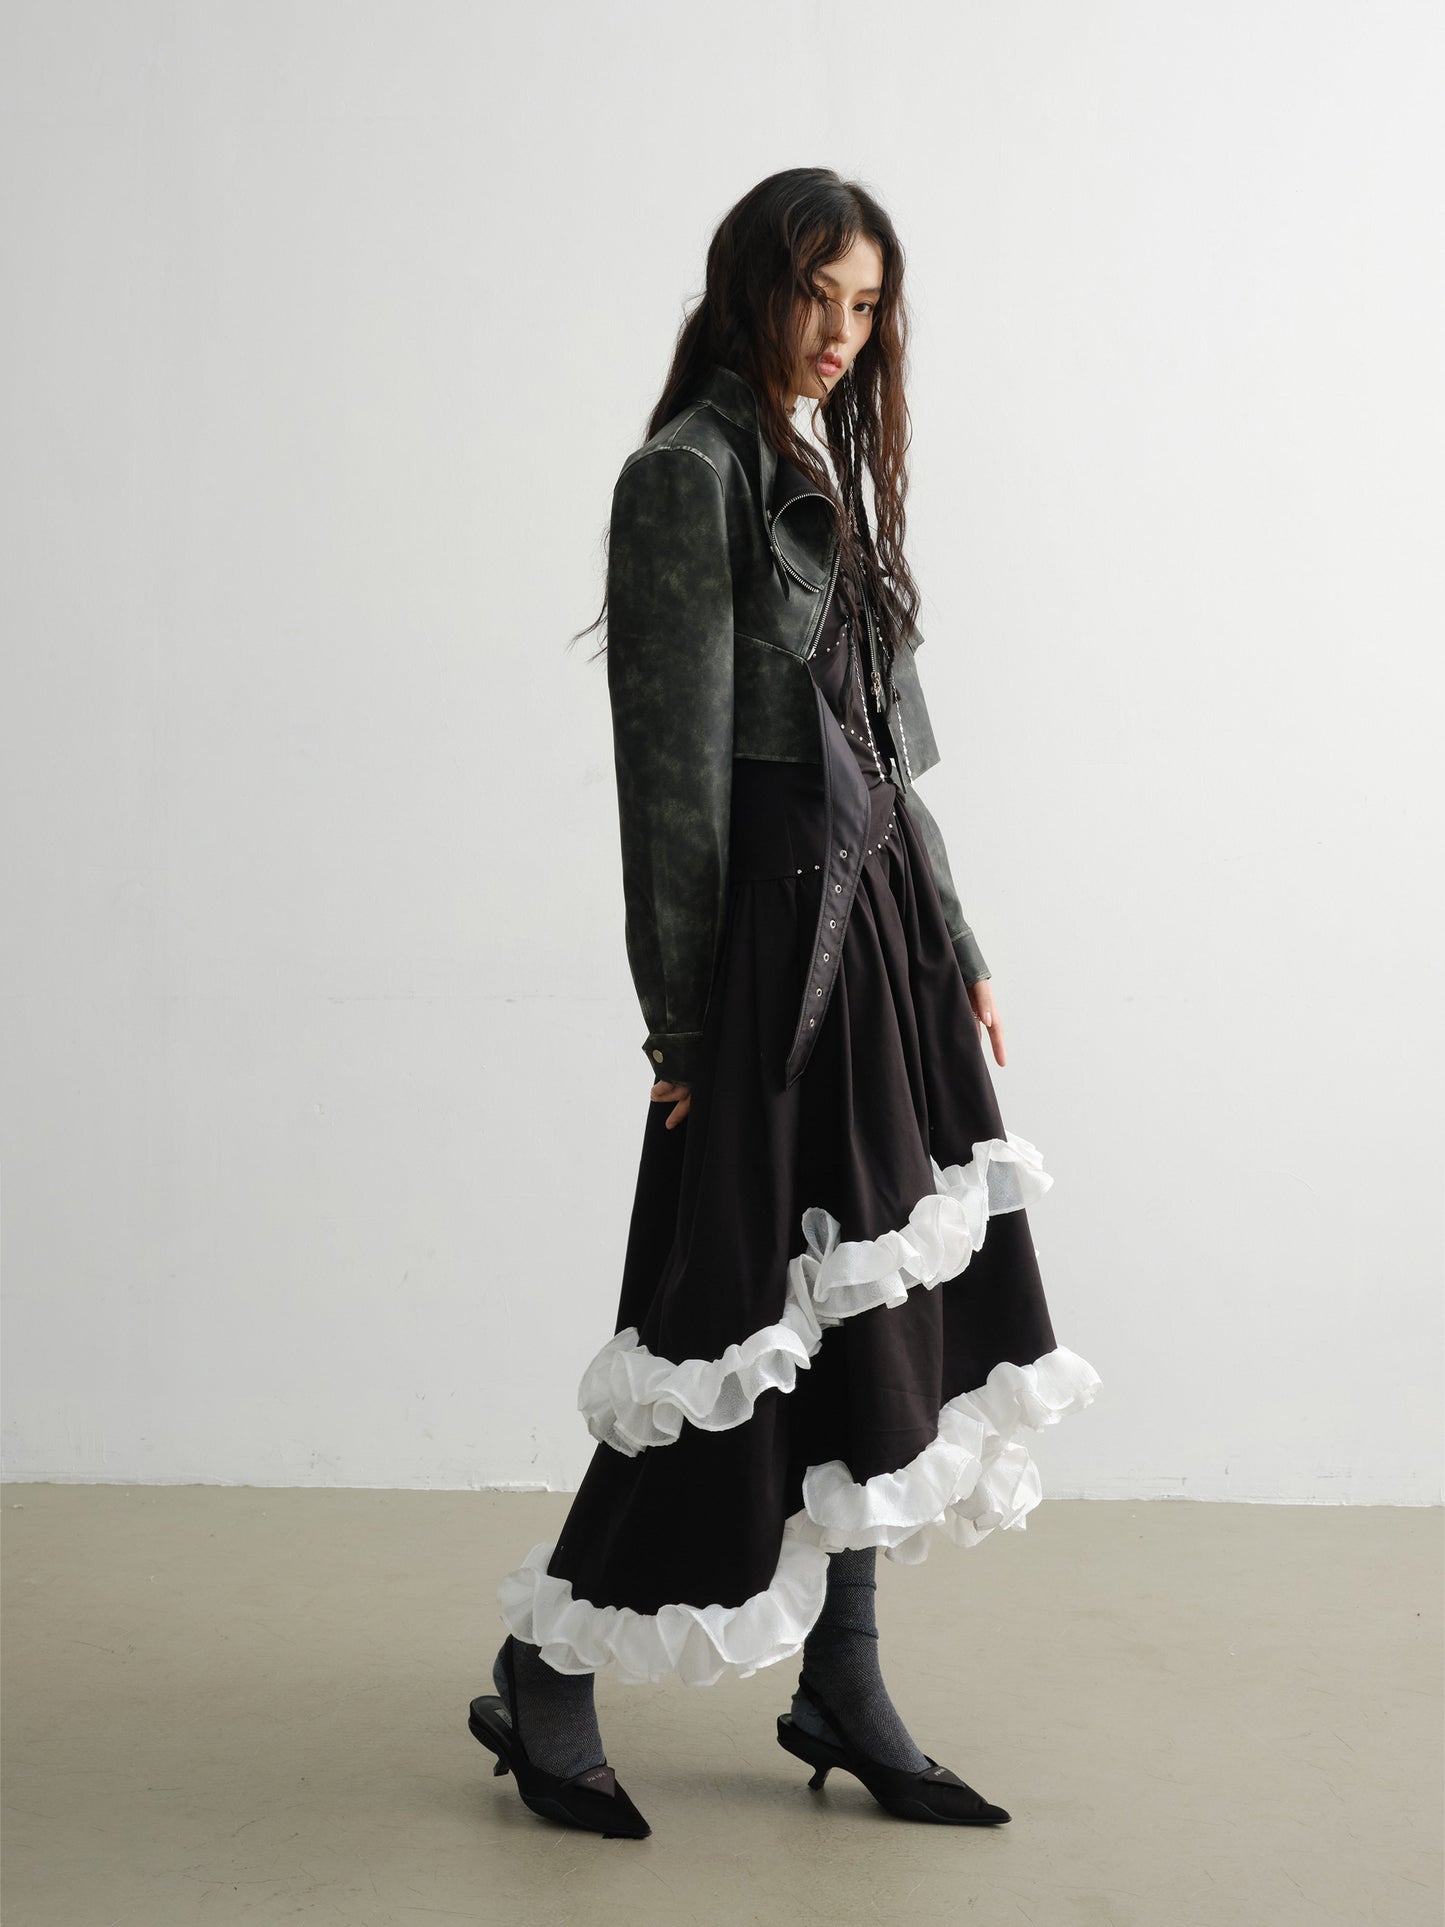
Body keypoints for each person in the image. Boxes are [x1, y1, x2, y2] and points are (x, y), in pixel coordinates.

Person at [467, 167, 1102, 1840]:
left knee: (872, 1319)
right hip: (768, 959)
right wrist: (680, 1027)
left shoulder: (824, 470)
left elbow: (887, 752)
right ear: (750, 288)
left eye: (865, 304)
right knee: (727, 1325)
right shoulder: (683, 479)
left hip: (879, 945)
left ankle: (845, 1682)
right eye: (816, 295)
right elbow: (669, 784)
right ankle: (544, 1669)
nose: (839, 332)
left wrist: (956, 939)